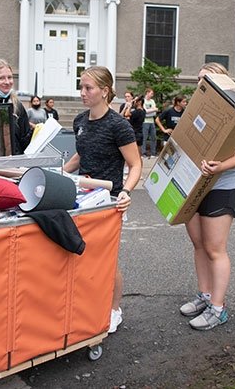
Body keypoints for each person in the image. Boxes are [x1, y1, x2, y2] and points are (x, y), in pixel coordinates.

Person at [63, 66, 142, 334]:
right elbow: (79, 156)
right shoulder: (80, 122)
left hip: (109, 202)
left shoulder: (119, 126)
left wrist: (126, 192)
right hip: (83, 201)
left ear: (105, 91)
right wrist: (57, 174)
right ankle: (90, 307)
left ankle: (114, 310)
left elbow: (136, 164)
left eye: (88, 88)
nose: (82, 93)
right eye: (81, 87)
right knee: (83, 258)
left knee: (107, 262)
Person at [179, 62, 235, 331]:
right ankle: (205, 296)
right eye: (199, 80)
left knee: (215, 248)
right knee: (199, 245)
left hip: (221, 186)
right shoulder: (196, 110)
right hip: (193, 185)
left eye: (207, 80)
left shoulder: (233, 113)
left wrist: (221, 166)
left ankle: (218, 309)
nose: (201, 85)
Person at [141, 88, 158, 158]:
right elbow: (144, 112)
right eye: (151, 93)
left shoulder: (152, 101)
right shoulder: (143, 101)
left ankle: (153, 153)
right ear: (147, 93)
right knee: (144, 137)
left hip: (152, 121)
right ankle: (143, 153)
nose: (152, 95)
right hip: (145, 121)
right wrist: (152, 110)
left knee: (153, 137)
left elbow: (155, 111)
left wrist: (149, 111)